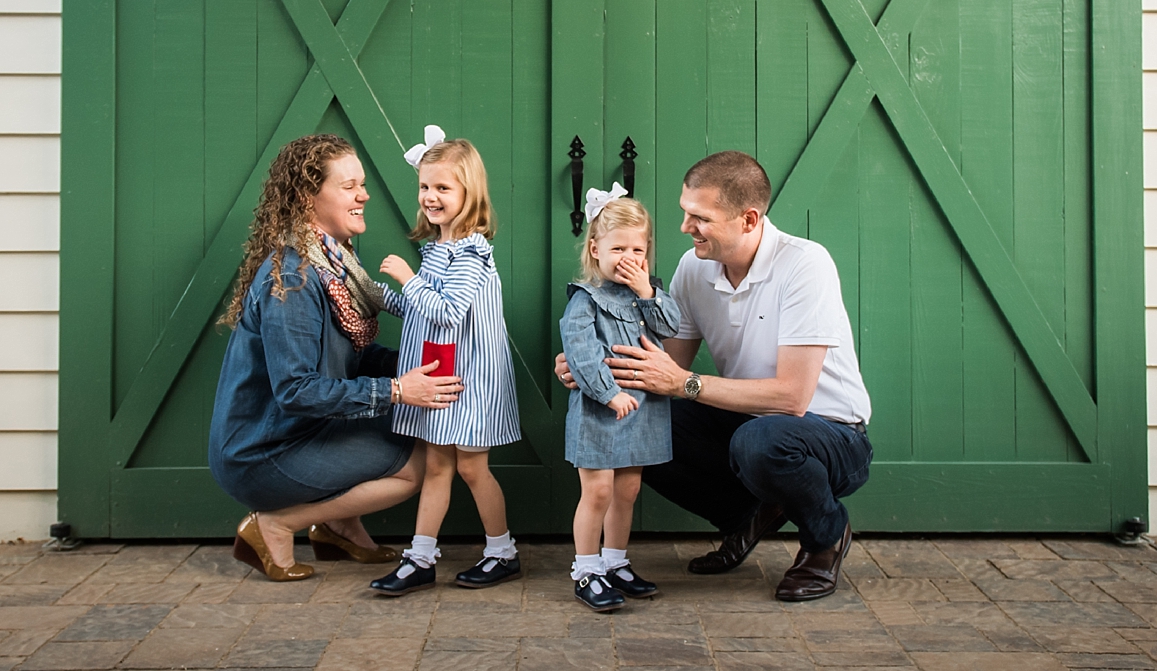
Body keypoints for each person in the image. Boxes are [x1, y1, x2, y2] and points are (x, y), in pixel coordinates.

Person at [556, 151, 874, 602]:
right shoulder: (694, 266)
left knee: (763, 442)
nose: (685, 228)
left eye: (699, 217)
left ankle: (825, 538)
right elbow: (660, 362)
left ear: (747, 219)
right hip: (745, 419)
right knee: (644, 422)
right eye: (686, 213)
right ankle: (746, 517)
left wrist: (684, 384)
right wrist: (592, 365)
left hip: (830, 433)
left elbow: (793, 398)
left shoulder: (805, 265)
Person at [207, 133, 465, 581]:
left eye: (361, 184)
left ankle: (339, 526)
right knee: (415, 466)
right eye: (349, 186)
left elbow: (350, 357)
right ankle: (276, 524)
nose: (364, 195)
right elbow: (297, 390)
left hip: (302, 432)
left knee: (427, 433)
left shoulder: (333, 262)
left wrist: (418, 366)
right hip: (262, 451)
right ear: (309, 198)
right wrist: (400, 389)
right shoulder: (295, 278)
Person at [368, 127, 524, 595]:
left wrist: (407, 278)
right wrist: (379, 296)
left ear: (468, 192)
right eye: (425, 186)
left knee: (473, 469)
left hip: (469, 381)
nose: (431, 197)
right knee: (437, 466)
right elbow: (421, 309)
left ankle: (503, 552)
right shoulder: (436, 249)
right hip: (441, 375)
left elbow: (449, 313)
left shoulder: (472, 253)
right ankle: (419, 558)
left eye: (443, 188)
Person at [559, 187, 686, 611]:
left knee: (628, 490)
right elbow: (581, 353)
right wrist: (609, 394)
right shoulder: (585, 299)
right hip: (601, 411)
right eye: (618, 248)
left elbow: (670, 327)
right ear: (595, 250)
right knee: (597, 492)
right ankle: (586, 569)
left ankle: (615, 561)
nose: (628, 257)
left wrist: (647, 290)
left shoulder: (647, 294)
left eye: (638, 248)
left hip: (643, 409)